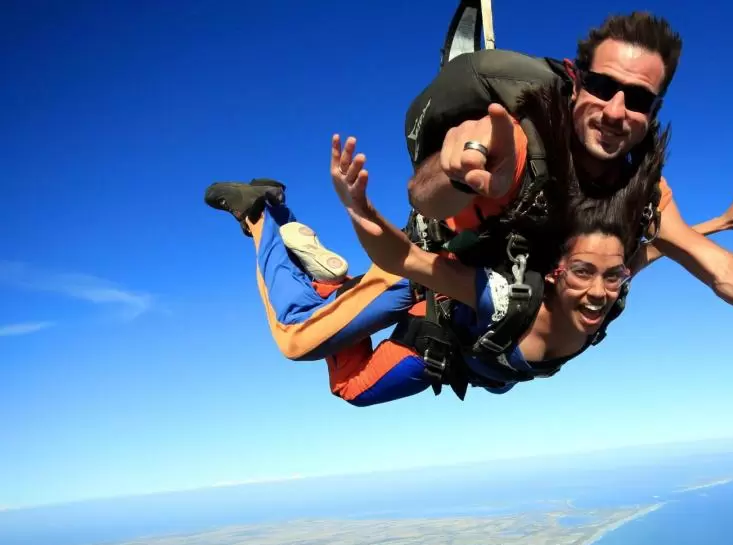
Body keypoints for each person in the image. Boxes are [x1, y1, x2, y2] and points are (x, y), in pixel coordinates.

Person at [402, 10, 733, 360]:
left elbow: (725, 273)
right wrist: (456, 172)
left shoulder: (642, 189)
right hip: (459, 270)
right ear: (576, 84)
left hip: (536, 304)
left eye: (639, 99)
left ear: (655, 111)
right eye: (603, 88)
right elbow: (424, 196)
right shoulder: (515, 140)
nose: (616, 111)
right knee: (367, 378)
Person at [204, 78, 672, 406]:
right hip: (416, 280)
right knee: (296, 339)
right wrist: (360, 210)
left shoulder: (604, 296)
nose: (599, 292)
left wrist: (712, 227)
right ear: (558, 275)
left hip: (441, 345)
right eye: (588, 277)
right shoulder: (511, 301)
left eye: (610, 280)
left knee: (351, 387)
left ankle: (334, 290)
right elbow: (413, 261)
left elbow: (640, 256)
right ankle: (262, 212)